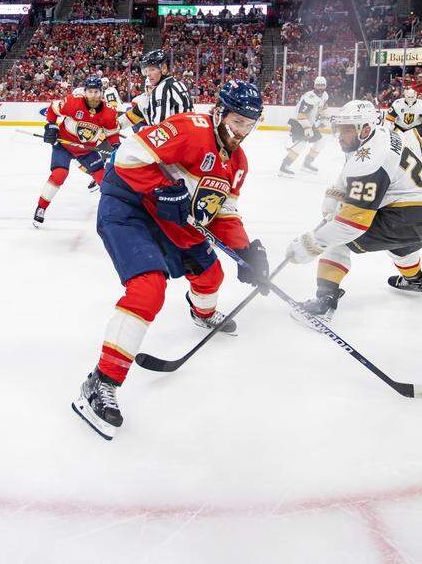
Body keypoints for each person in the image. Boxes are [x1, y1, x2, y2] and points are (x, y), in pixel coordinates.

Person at [72, 80, 270, 440]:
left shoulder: (238, 163)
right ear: (219, 112)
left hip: (171, 217)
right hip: (129, 206)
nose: (242, 131)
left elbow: (223, 210)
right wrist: (163, 188)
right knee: (149, 289)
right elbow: (127, 156)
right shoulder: (190, 129)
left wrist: (245, 251)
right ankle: (101, 381)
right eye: (237, 121)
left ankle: (202, 313)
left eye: (249, 124)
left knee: (211, 273)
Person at [283, 100, 422, 322]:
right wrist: (335, 196)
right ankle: (415, 280)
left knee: (337, 240)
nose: (340, 136)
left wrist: (312, 243)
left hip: (412, 218)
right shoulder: (379, 134)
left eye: (347, 130)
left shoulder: (371, 160)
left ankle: (324, 304)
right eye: (339, 129)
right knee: (400, 246)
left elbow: (351, 226)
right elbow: (351, 168)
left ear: (364, 129)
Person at [34, 75, 120, 228]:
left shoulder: (108, 112)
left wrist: (116, 146)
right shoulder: (73, 102)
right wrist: (51, 126)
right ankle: (41, 207)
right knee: (59, 174)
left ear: (101, 92)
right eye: (90, 91)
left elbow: (111, 133)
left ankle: (117, 210)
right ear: (85, 92)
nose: (93, 95)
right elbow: (53, 108)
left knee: (103, 178)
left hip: (86, 150)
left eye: (96, 92)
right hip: (64, 145)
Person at [122, 49, 192, 131]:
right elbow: (133, 115)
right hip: (189, 135)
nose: (148, 74)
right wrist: (114, 125)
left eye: (152, 69)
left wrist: (142, 130)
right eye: (147, 70)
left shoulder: (161, 89)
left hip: (178, 140)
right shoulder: (180, 84)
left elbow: (160, 130)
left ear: (164, 68)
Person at [279, 76, 330, 177]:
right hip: (298, 122)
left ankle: (307, 164)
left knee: (320, 141)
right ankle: (284, 167)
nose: (320, 87)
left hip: (308, 123)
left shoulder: (324, 95)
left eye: (322, 85)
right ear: (314, 85)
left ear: (325, 86)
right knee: (301, 145)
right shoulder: (309, 97)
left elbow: (323, 107)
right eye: (318, 85)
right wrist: (307, 129)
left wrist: (325, 118)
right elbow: (301, 115)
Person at [384, 88, 422, 163]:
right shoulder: (397, 103)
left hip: (416, 125)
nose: (410, 99)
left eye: (412, 97)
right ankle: (388, 158)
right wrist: (387, 128)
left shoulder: (421, 104)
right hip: (399, 126)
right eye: (409, 97)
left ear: (416, 96)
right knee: (390, 142)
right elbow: (389, 118)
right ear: (405, 96)